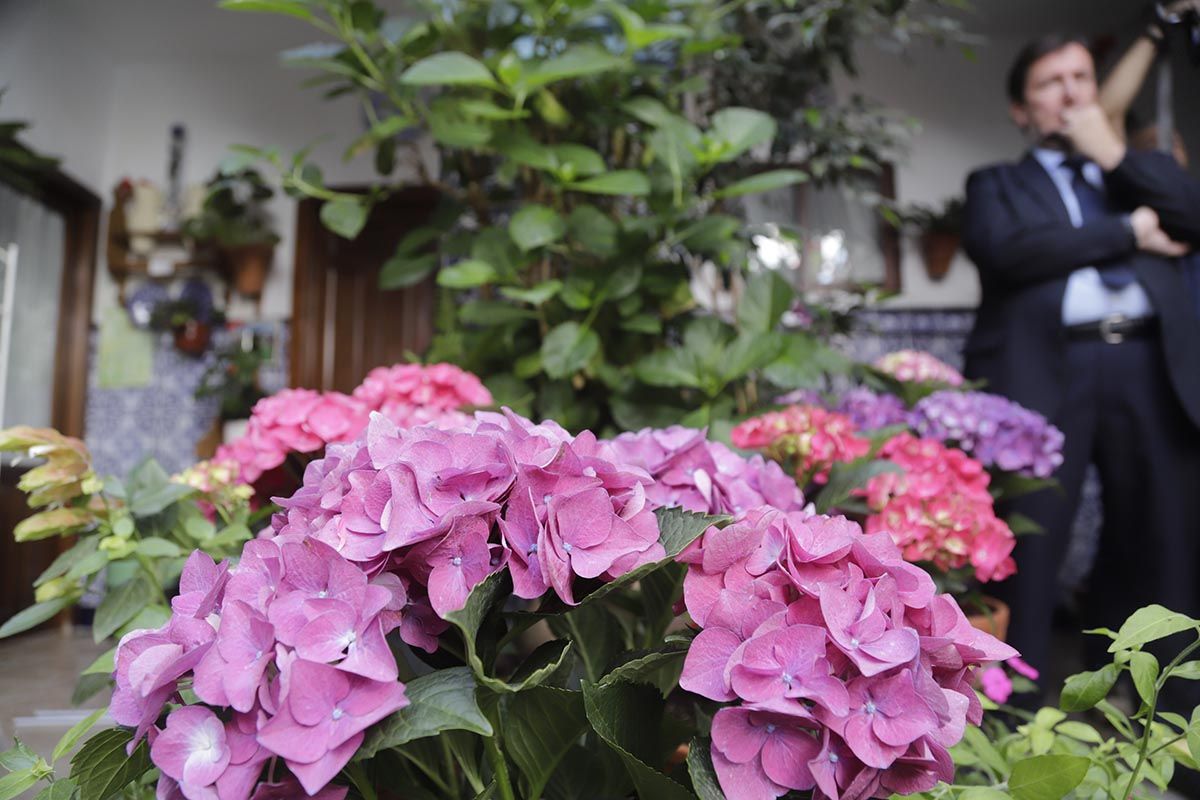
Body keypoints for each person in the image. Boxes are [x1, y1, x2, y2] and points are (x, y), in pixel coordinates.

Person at [960, 35, 1200, 685]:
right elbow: (1010, 251)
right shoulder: (997, 184)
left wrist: (1115, 155)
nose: (1070, 92)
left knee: (1163, 541)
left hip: (1148, 368)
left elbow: (1192, 217)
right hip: (1046, 372)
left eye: (1081, 77)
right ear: (1020, 109)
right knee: (1032, 545)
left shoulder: (1135, 172)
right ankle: (1018, 716)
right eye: (1049, 82)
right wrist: (1127, 233)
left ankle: (1169, 720)